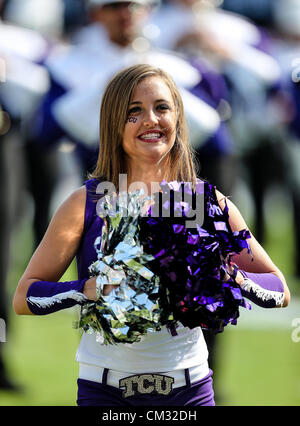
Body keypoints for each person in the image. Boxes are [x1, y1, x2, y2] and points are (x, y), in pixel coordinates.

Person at [13, 64, 290, 407]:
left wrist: (229, 277)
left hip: (190, 389)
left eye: (162, 107)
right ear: (114, 123)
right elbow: (25, 297)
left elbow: (280, 289)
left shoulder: (204, 201)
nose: (151, 120)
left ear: (178, 117)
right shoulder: (87, 202)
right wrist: (89, 290)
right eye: (134, 111)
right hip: (105, 391)